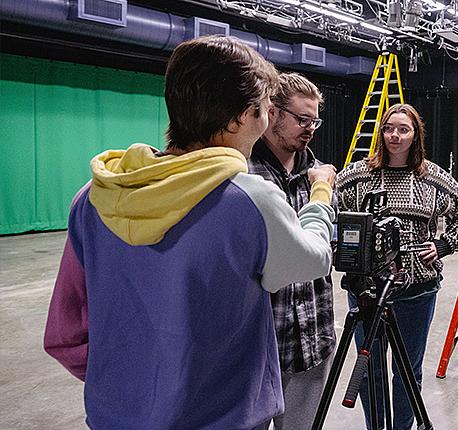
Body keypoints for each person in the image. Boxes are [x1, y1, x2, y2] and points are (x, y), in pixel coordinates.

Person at [42, 35, 336, 430]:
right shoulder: (249, 198)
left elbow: (64, 334)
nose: (265, 122)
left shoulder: (93, 198)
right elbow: (314, 258)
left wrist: (129, 385)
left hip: (114, 416)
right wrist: (321, 195)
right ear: (238, 118)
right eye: (264, 111)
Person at [336, 103, 458, 430]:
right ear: (381, 133)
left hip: (417, 293)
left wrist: (444, 245)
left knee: (407, 370)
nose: (395, 135)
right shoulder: (359, 175)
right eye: (389, 128)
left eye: (403, 129)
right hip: (366, 291)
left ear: (416, 135)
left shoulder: (433, 177)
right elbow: (328, 204)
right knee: (369, 369)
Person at [247, 72, 337, 430]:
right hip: (257, 349)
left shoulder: (320, 176)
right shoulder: (243, 173)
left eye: (315, 120)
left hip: (313, 340)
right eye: (302, 119)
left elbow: (323, 250)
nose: (311, 128)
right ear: (272, 111)